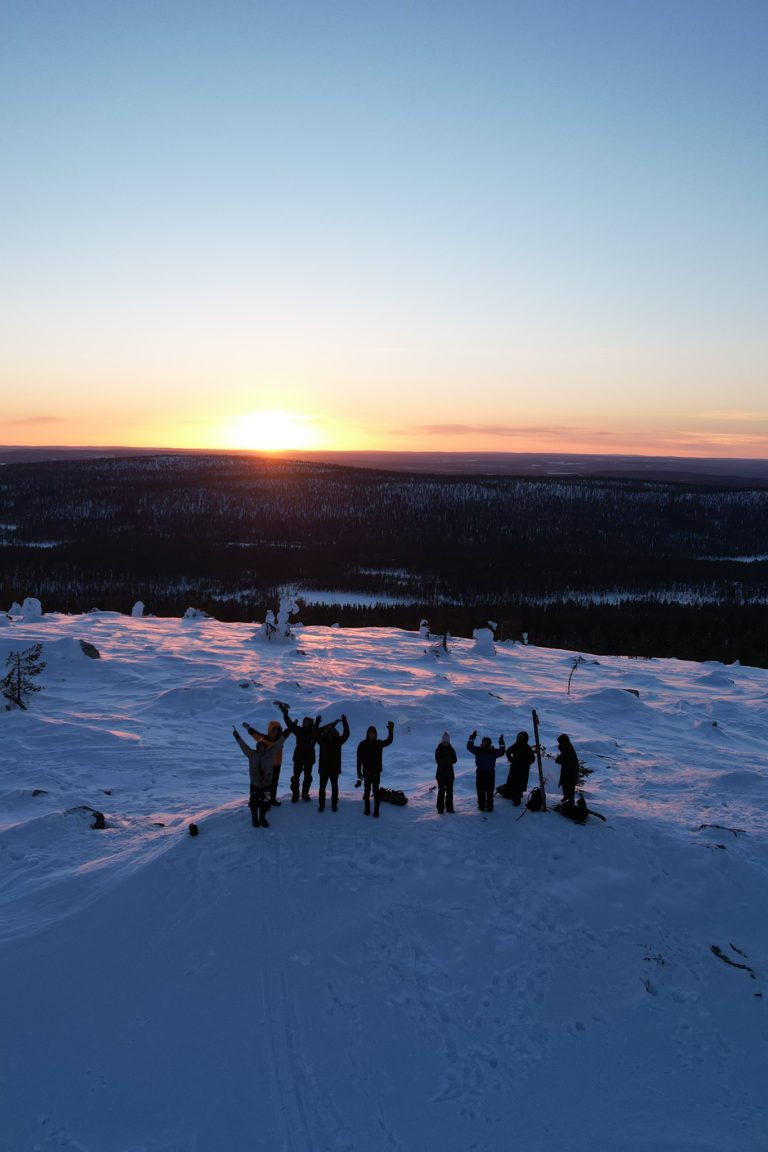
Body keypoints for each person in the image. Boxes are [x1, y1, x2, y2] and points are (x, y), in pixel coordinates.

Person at [233, 724, 286, 828]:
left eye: (263, 746)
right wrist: (237, 737)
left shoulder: (270, 754)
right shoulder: (252, 754)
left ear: (265, 747)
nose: (261, 748)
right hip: (255, 783)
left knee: (265, 802)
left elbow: (279, 743)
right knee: (254, 802)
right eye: (259, 746)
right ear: (257, 747)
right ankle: (254, 818)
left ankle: (262, 818)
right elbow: (243, 746)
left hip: (266, 783)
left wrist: (284, 735)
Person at [278, 702, 321, 802]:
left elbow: (320, 730)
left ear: (311, 724)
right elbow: (289, 724)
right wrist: (285, 715)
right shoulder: (299, 730)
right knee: (296, 776)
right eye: (305, 722)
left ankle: (305, 794)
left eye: (308, 722)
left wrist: (318, 723)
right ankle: (295, 794)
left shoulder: (313, 732)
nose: (306, 724)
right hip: (299, 756)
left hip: (309, 757)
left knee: (307, 777)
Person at [356, 721, 395, 817]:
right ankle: (367, 809)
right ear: (367, 734)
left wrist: (391, 730)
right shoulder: (362, 744)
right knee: (367, 791)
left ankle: (376, 811)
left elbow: (389, 741)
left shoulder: (378, 743)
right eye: (370, 733)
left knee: (376, 792)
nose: (371, 735)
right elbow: (359, 759)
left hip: (376, 772)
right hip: (367, 772)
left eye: (373, 734)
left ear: (375, 734)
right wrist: (358, 771)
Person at [244, 716, 285, 806]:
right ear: (270, 730)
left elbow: (289, 731)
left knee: (274, 783)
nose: (275, 731)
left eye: (277, 730)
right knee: (266, 783)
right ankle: (264, 800)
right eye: (274, 730)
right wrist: (248, 728)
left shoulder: (281, 738)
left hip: (278, 765)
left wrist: (293, 724)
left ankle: (272, 799)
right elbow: (255, 735)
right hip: (268, 765)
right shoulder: (265, 739)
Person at [316, 714, 350, 811]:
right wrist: (317, 723)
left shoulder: (338, 742)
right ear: (326, 734)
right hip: (323, 769)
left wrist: (345, 722)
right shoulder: (322, 742)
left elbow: (346, 734)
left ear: (335, 734)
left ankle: (334, 804)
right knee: (322, 788)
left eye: (332, 733)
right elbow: (315, 734)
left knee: (334, 788)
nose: (330, 735)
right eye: (329, 733)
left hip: (334, 769)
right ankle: (321, 804)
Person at [466, 731, 506, 812]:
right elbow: (469, 747)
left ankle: (489, 807)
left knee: (489, 791)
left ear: (488, 744)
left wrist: (501, 742)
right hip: (480, 773)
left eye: (485, 742)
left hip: (490, 774)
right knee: (480, 791)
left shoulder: (493, 751)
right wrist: (472, 738)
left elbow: (502, 751)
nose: (483, 744)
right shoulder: (478, 750)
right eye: (482, 742)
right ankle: (481, 807)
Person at [503, 731, 536, 806]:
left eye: (520, 737)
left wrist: (526, 763)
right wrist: (511, 759)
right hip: (514, 768)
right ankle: (512, 794)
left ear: (524, 738)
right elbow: (508, 751)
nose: (519, 739)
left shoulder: (527, 748)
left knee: (520, 783)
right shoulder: (516, 745)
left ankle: (517, 799)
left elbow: (532, 759)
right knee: (512, 781)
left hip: (523, 770)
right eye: (518, 737)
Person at [434, 731, 457, 814]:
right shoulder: (439, 749)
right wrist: (447, 759)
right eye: (444, 742)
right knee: (441, 792)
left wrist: (446, 759)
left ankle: (449, 808)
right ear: (442, 741)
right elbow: (438, 760)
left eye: (447, 742)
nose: (446, 743)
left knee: (450, 792)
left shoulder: (451, 749)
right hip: (440, 775)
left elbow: (455, 760)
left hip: (450, 775)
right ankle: (440, 809)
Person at [556, 733, 579, 803]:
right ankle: (566, 796)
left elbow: (563, 759)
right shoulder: (566, 749)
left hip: (571, 771)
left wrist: (560, 759)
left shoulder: (568, 749)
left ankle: (570, 799)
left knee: (570, 785)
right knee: (565, 784)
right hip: (567, 770)